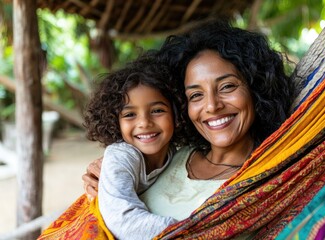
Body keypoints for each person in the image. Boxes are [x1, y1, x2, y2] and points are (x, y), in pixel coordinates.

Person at [82, 19, 296, 238]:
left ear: (256, 88)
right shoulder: (171, 155)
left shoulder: (269, 181)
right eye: (196, 95)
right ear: (182, 106)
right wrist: (105, 174)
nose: (212, 106)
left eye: (227, 86)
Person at [81, 55, 187, 239]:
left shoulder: (177, 153)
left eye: (157, 111)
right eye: (130, 114)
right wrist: (190, 230)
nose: (144, 123)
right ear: (115, 121)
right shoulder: (121, 156)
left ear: (176, 113)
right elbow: (124, 221)